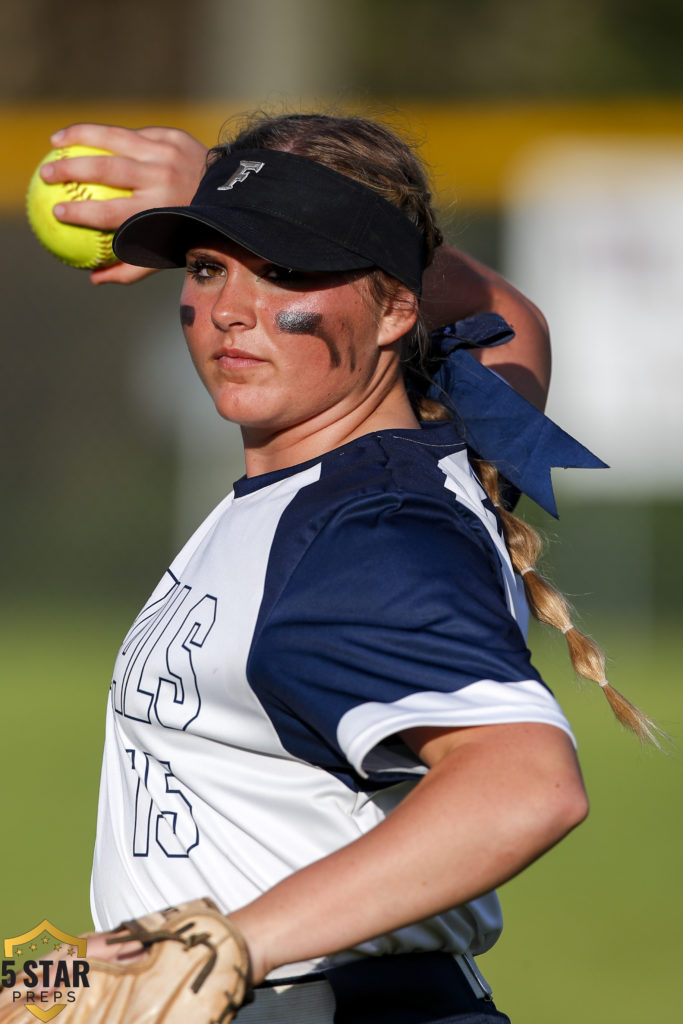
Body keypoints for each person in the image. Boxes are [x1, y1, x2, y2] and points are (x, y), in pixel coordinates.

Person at [25, 111, 656, 1023]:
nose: (233, 310)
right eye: (208, 266)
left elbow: (525, 783)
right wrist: (231, 189)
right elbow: (510, 320)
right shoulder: (430, 446)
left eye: (286, 270)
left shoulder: (363, 531)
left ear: (400, 306)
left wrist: (224, 949)